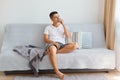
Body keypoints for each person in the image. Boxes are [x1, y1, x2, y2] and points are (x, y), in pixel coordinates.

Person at [44, 11, 79, 79]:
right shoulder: (48, 27)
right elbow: (45, 39)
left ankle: (51, 53)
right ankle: (57, 71)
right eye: (56, 17)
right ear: (51, 19)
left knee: (75, 45)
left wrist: (63, 24)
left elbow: (68, 36)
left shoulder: (63, 26)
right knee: (52, 49)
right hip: (53, 44)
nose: (58, 18)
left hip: (62, 45)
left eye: (58, 16)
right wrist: (53, 42)